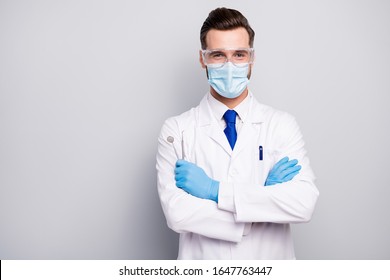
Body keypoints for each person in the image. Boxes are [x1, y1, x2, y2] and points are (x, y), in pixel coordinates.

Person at [156, 7, 319, 260]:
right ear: (203, 59)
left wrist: (213, 190)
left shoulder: (282, 125)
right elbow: (178, 213)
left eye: (239, 54)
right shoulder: (177, 130)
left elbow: (302, 204)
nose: (230, 65)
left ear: (251, 58)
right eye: (218, 55)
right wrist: (261, 199)